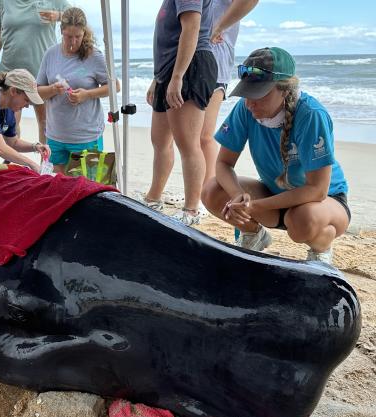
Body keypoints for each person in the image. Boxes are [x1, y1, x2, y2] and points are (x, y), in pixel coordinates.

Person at [201, 47, 351, 265]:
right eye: (247, 92)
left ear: (284, 89)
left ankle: (321, 247)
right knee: (213, 190)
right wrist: (237, 198)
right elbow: (223, 163)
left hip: (324, 201)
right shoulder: (246, 109)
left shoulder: (311, 115)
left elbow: (317, 190)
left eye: (259, 94)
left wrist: (256, 207)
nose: (250, 103)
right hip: (274, 194)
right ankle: (254, 234)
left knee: (301, 221)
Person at [142, 0, 217, 226]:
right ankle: (153, 198)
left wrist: (178, 77)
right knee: (159, 139)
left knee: (188, 143)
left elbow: (192, 27)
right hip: (168, 70)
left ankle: (191, 210)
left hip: (190, 66)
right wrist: (159, 79)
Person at [36, 7, 115, 174]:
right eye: (68, 37)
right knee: (58, 189)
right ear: (61, 31)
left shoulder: (94, 56)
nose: (73, 42)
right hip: (55, 136)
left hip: (85, 136)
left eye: (78, 37)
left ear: (84, 33)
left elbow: (115, 87)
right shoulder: (50, 54)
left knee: (85, 190)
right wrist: (52, 89)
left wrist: (86, 95)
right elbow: (37, 92)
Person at [0, 0, 70, 144]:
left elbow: (76, 18)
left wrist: (58, 15)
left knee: (44, 121)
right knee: (9, 121)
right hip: (11, 71)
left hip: (42, 72)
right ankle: (12, 161)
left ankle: (45, 164)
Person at [201, 0, 259, 185]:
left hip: (214, 62)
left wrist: (218, 27)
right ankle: (198, 191)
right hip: (194, 62)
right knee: (191, 139)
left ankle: (205, 191)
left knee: (203, 136)